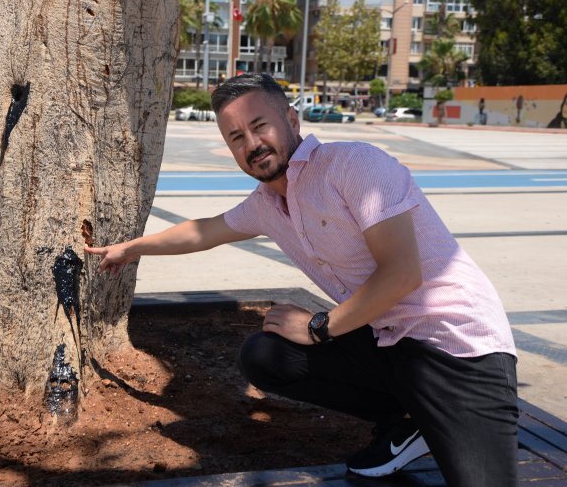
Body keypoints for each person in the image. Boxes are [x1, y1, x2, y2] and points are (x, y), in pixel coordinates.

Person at [84, 73, 518, 486]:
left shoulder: (354, 166)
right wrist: (132, 247)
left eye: (259, 126)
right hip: (391, 344)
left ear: (291, 120)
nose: (252, 144)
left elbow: (403, 274)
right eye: (236, 137)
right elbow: (203, 230)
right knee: (267, 354)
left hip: (458, 348)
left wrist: (318, 327)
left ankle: (426, 417)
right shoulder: (267, 204)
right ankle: (409, 421)